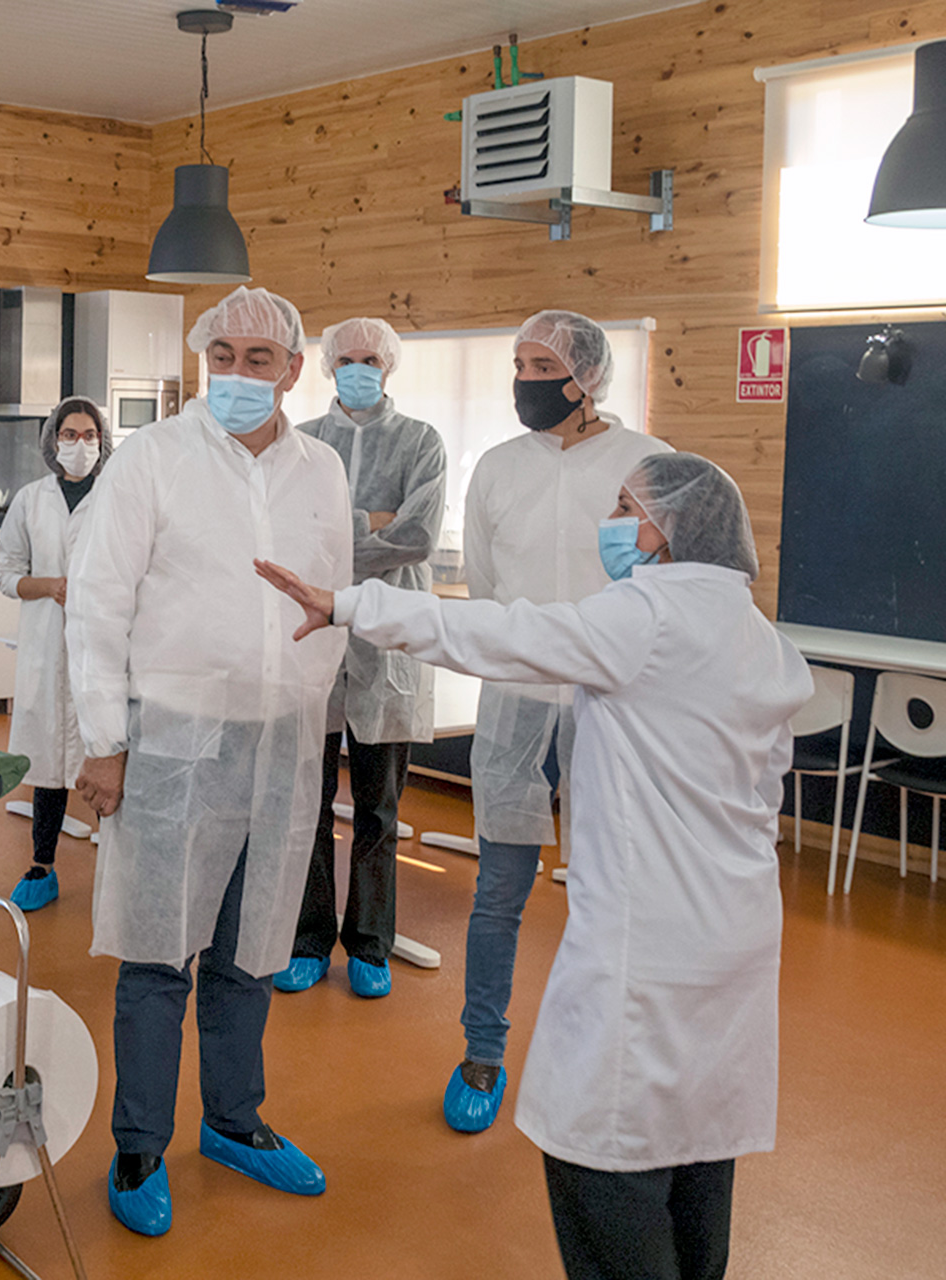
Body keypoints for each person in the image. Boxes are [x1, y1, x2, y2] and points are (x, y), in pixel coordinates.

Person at [256, 452, 810, 1280]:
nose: (613, 522)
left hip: (646, 939)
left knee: (599, 1145)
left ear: (670, 529)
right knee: (697, 1144)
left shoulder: (648, 617)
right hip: (734, 932)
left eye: (628, 507)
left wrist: (346, 603)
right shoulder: (759, 637)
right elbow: (760, 794)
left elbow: (498, 633)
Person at [66, 286, 353, 1237]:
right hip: (173, 741)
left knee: (251, 949)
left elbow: (336, 601)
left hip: (282, 742)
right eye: (220, 355)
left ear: (293, 371)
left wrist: (309, 710)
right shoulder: (152, 460)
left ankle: (235, 1120)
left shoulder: (321, 472)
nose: (236, 375)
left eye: (258, 360)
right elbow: (99, 603)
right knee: (158, 953)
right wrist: (104, 743)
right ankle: (140, 1143)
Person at [446, 309, 671, 1134]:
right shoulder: (499, 468)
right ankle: (482, 1051)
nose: (524, 381)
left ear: (585, 378)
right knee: (498, 893)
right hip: (515, 697)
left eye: (540, 365)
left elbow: (668, 577)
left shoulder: (647, 462)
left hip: (613, 700)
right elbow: (483, 580)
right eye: (516, 363)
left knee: (613, 890)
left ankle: (609, 1058)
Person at [277, 317, 448, 999]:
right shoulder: (304, 443)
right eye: (345, 357)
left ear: (390, 365)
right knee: (307, 804)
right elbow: (290, 537)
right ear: (325, 365)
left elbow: (418, 536)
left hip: (387, 640)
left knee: (379, 809)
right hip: (313, 640)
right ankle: (308, 938)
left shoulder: (421, 442)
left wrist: (343, 530)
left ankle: (371, 943)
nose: (357, 367)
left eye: (369, 357)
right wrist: (372, 519)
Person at [0, 395, 111, 912]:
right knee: (48, 762)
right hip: (47, 642)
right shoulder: (30, 499)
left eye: (89, 435)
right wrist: (48, 586)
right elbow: (5, 573)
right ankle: (42, 865)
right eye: (70, 435)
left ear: (103, 442)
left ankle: (116, 865)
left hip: (104, 646)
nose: (80, 444)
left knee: (107, 753)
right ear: (53, 441)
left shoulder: (116, 494)